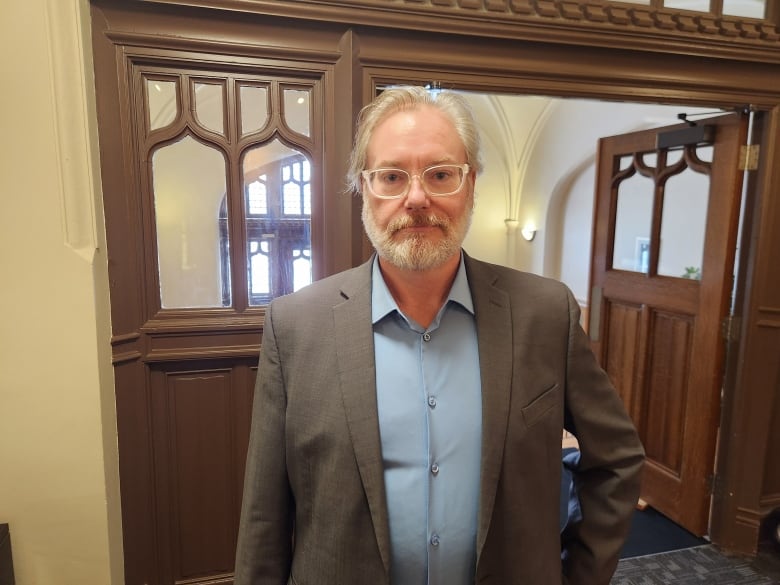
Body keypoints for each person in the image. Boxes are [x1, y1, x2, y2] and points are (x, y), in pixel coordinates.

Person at [234, 86, 644, 585]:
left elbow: (615, 461)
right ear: (365, 188)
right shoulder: (295, 326)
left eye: (441, 174)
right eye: (391, 176)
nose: (417, 198)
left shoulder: (544, 314)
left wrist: (577, 575)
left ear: (470, 185)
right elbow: (264, 515)